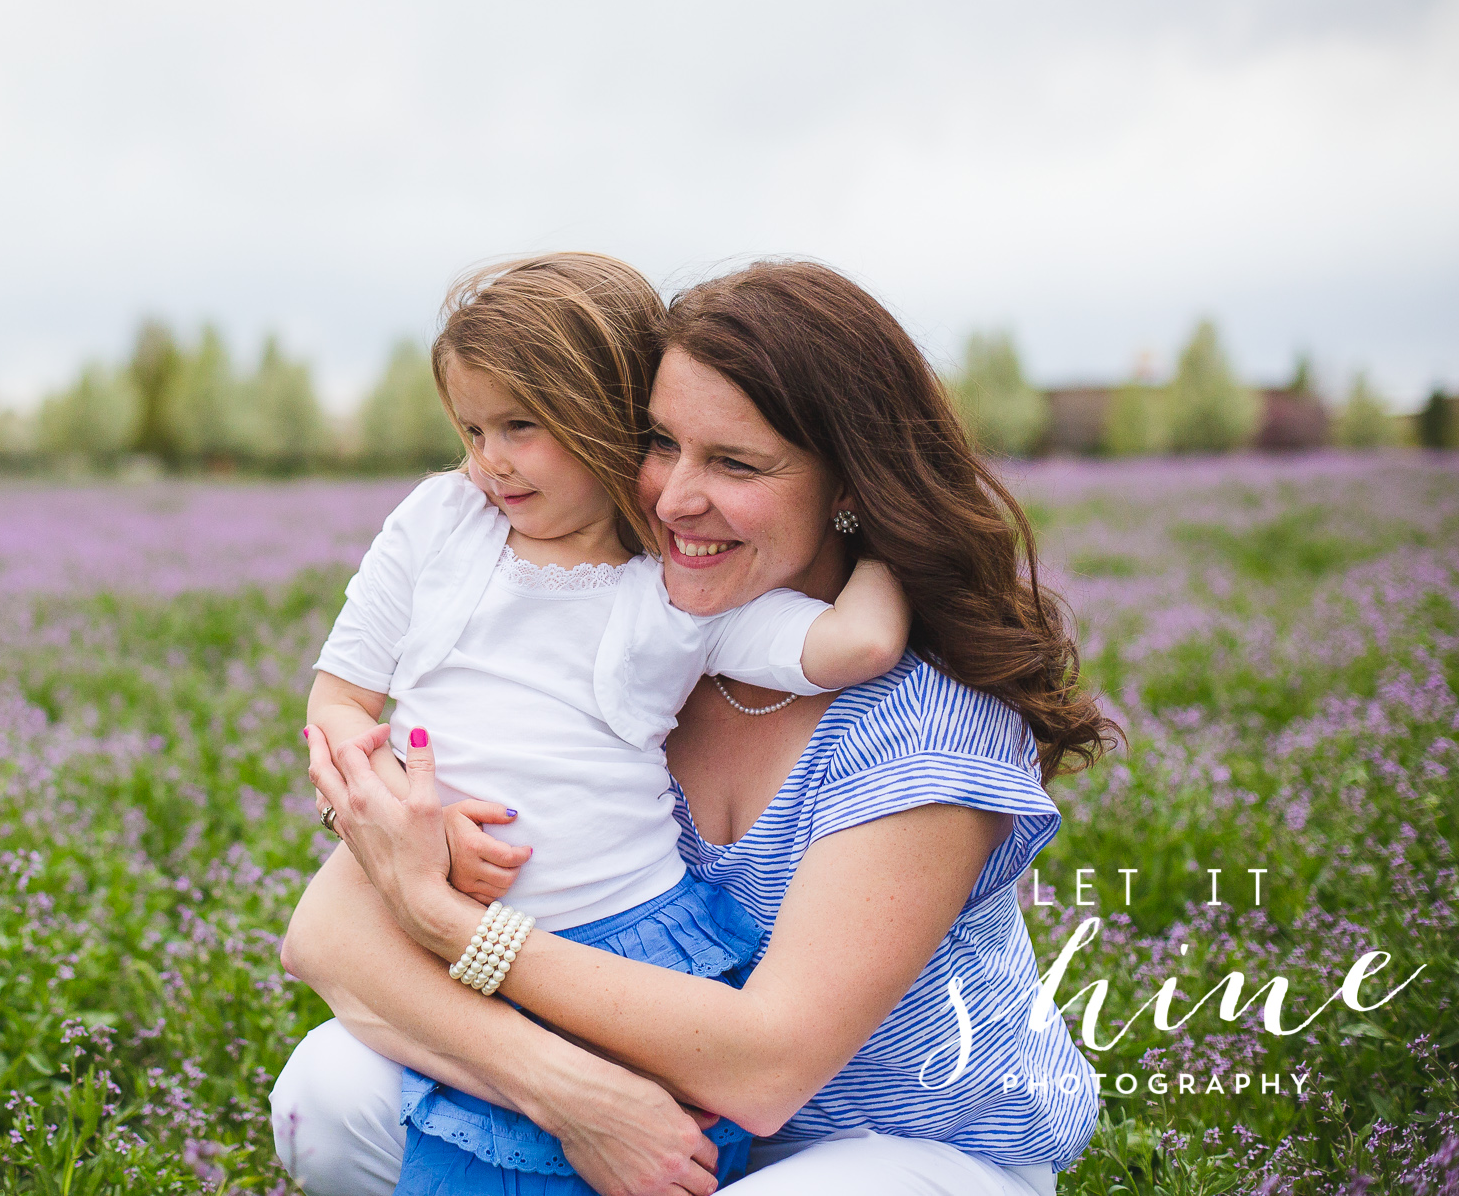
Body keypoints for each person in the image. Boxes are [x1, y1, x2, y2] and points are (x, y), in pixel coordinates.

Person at [273, 260, 1116, 1195]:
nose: (675, 497)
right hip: (649, 1118)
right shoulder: (636, 643)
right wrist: (568, 1092)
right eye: (662, 443)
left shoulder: (925, 727)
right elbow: (323, 934)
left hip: (896, 1155)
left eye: (735, 463)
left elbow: (764, 1067)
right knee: (327, 1084)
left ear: (848, 483)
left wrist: (439, 916)